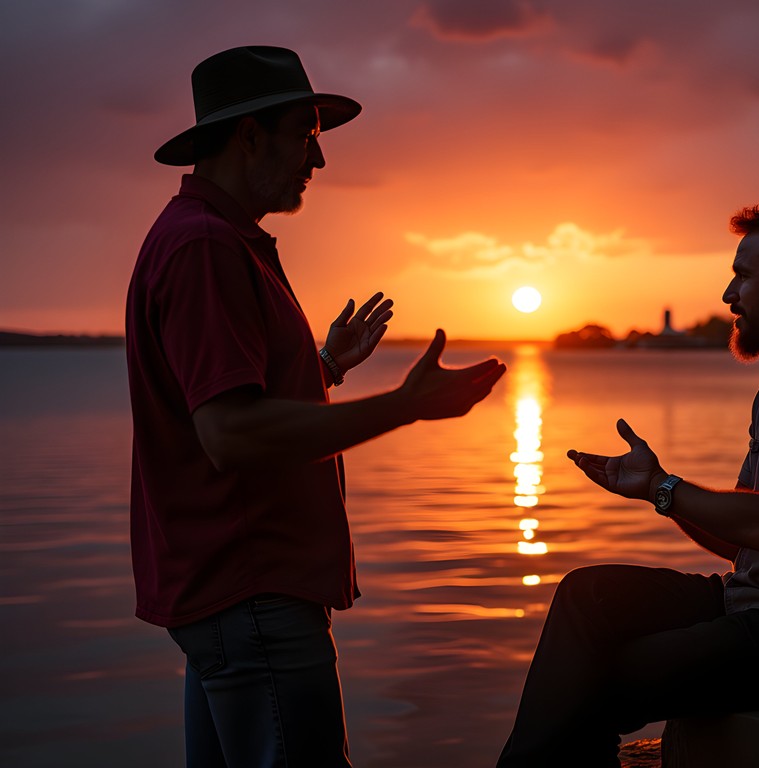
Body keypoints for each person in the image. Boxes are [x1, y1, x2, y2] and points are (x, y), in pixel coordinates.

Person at [126, 46, 506, 768]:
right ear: (248, 136)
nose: (319, 161)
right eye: (307, 134)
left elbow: (232, 402)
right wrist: (404, 406)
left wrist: (324, 365)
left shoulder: (213, 239)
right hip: (253, 596)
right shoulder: (206, 247)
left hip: (233, 601)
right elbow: (231, 435)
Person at [496, 200, 759, 767]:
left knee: (612, 671)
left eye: (743, 276)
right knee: (586, 596)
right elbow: (746, 540)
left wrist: (665, 487)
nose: (729, 296)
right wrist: (659, 495)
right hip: (752, 603)